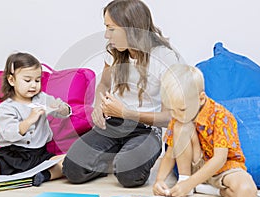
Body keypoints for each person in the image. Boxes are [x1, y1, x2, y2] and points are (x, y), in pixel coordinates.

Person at [62, 0, 185, 187]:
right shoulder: (115, 53)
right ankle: (115, 160)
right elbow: (103, 84)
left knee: (129, 175)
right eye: (106, 28)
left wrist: (127, 113)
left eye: (111, 29)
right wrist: (98, 105)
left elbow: (169, 118)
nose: (106, 35)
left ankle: (122, 160)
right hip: (113, 124)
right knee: (72, 169)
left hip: (146, 129)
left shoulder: (163, 57)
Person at [153, 64, 258, 197]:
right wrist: (159, 180)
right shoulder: (178, 115)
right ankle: (185, 180)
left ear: (201, 99)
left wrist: (190, 184)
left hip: (224, 168)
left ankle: (207, 189)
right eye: (172, 110)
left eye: (182, 109)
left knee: (247, 192)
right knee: (181, 126)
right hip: (196, 164)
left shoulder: (221, 115)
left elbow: (220, 159)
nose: (177, 115)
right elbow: (169, 154)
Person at [0, 52, 72, 186]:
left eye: (37, 80)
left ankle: (43, 175)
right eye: (27, 80)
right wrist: (29, 120)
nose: (33, 85)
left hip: (40, 155)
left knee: (67, 162)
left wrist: (61, 108)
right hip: (12, 155)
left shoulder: (42, 98)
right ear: (11, 80)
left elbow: (64, 111)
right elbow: (9, 133)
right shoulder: (6, 107)